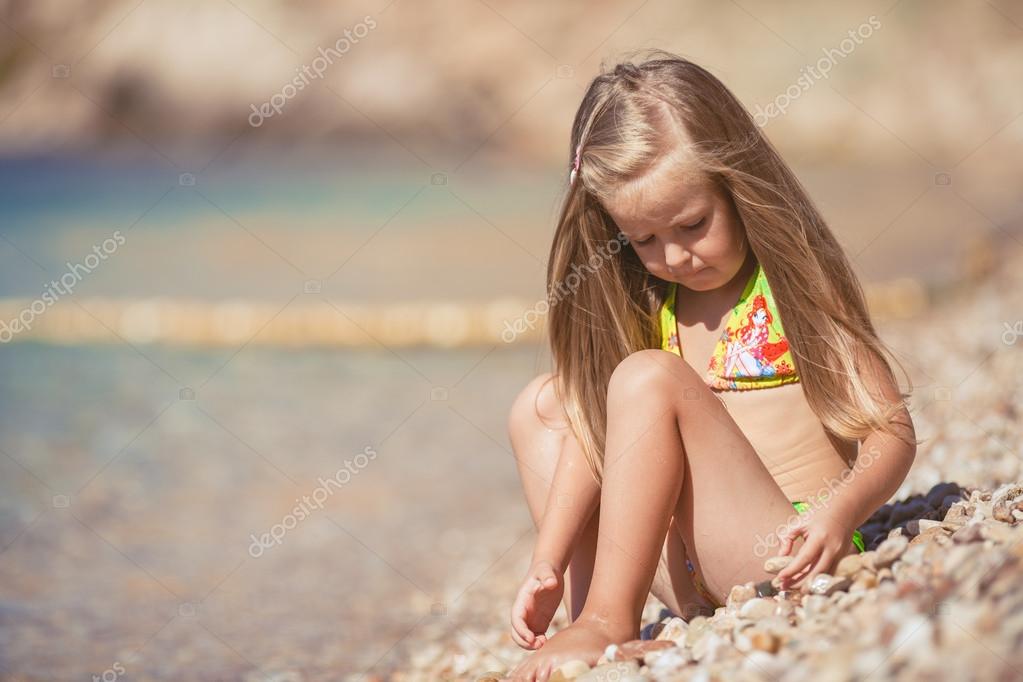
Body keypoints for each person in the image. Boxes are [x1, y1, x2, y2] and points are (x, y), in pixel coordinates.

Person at [506, 51, 919, 681]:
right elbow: (594, 441)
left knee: (648, 377)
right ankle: (586, 616)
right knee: (544, 403)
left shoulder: (791, 293)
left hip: (783, 554)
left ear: (739, 187)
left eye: (693, 224)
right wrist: (548, 560)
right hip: (688, 578)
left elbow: (890, 431)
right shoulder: (654, 306)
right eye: (642, 240)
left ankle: (608, 622)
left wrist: (841, 515)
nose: (673, 255)